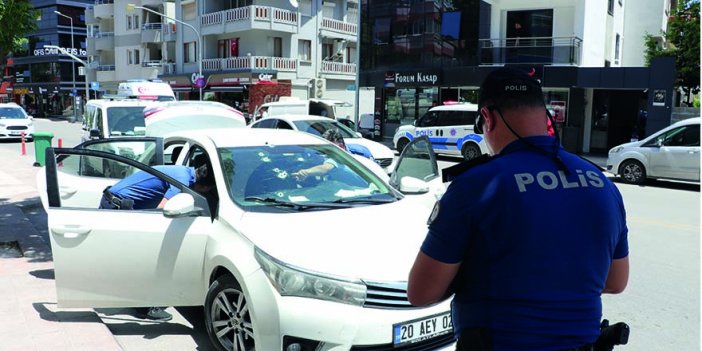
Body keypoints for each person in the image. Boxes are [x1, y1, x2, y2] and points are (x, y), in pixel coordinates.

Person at [407, 67, 629, 351]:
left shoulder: (477, 184)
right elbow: (616, 281)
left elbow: (422, 292)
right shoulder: (602, 183)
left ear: (487, 118)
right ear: (544, 114)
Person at [100, 163, 215, 321]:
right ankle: (144, 307)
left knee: (131, 257)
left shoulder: (185, 171)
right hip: (118, 207)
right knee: (144, 257)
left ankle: (131, 298)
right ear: (204, 187)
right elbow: (163, 210)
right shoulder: (181, 180)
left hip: (119, 203)